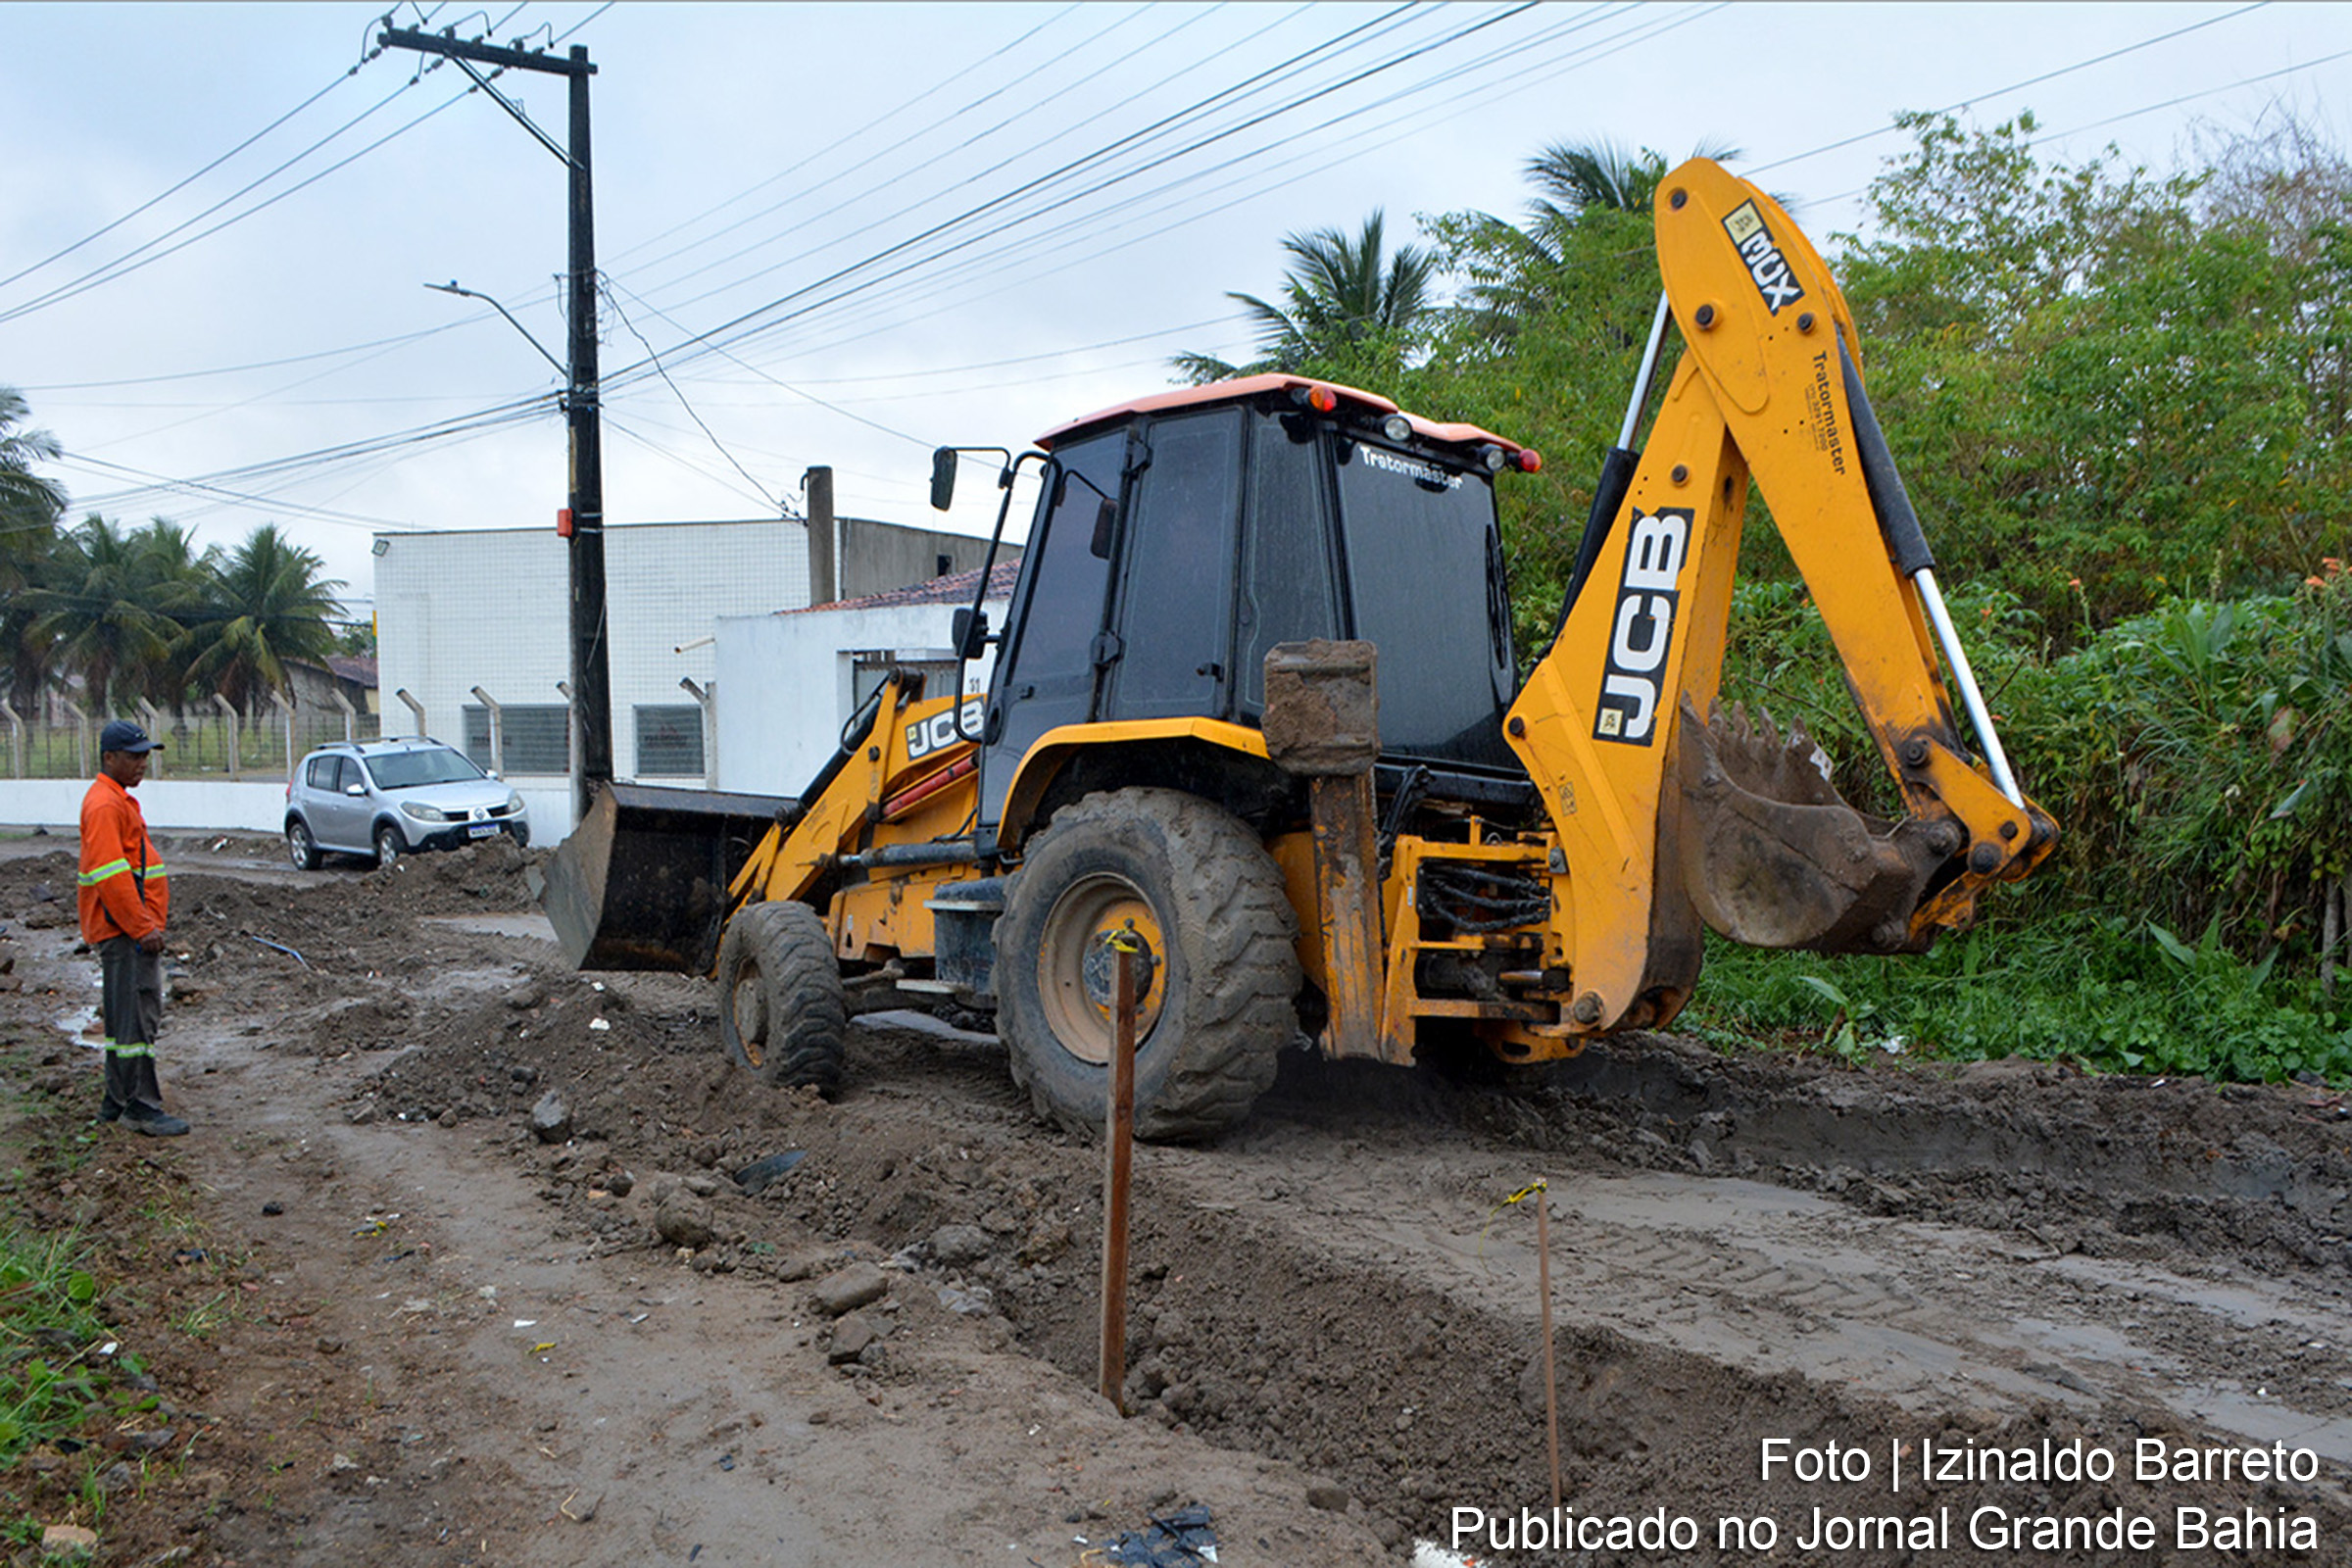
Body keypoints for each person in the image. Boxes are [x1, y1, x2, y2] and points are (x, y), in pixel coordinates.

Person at [77, 719, 187, 1137]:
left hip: (124, 930)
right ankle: (140, 1106)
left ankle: (117, 1100)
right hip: (124, 932)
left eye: (145, 755)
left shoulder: (114, 800)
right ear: (110, 758)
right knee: (136, 1022)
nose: (143, 763)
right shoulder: (106, 804)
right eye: (134, 755)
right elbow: (111, 875)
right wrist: (142, 928)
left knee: (125, 1020)